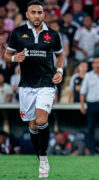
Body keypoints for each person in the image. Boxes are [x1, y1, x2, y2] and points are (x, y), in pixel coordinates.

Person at [4, 1, 64, 178]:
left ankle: (43, 159)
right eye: (33, 12)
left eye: (40, 12)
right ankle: (40, 156)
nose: (37, 15)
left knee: (40, 120)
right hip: (26, 85)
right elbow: (6, 56)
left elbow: (60, 55)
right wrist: (15, 58)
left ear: (44, 14)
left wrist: (59, 71)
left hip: (46, 83)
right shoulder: (18, 33)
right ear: (27, 14)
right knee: (32, 125)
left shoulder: (53, 35)